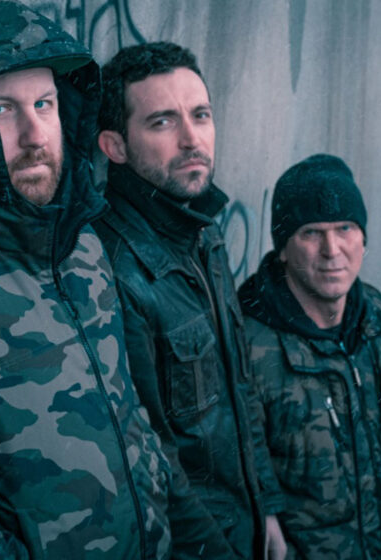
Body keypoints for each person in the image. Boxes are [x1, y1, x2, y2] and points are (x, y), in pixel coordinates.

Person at [0, 1, 171, 558]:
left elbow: (129, 409)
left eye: (45, 103)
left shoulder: (81, 241)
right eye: (3, 109)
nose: (35, 133)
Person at [93, 41, 285, 560]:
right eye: (162, 122)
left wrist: (265, 507)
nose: (191, 138)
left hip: (243, 524)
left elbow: (238, 386)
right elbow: (150, 451)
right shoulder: (114, 270)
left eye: (201, 115)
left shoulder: (202, 231)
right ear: (115, 145)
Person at [237, 154, 381, 559]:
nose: (332, 249)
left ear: (363, 239)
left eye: (345, 228)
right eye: (311, 232)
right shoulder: (248, 344)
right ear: (283, 249)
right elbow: (241, 466)